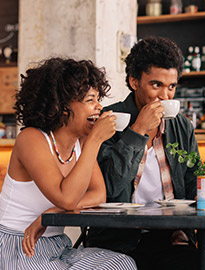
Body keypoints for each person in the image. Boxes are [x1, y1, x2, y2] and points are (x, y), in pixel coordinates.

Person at [0, 57, 137, 269]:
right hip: (19, 244)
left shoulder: (80, 142)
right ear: (63, 106)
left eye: (98, 99)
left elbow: (98, 195)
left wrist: (51, 214)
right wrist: (95, 140)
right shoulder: (31, 138)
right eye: (91, 100)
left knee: (121, 264)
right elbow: (67, 199)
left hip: (57, 246)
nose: (99, 107)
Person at [85, 36, 200, 270]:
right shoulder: (109, 120)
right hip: (120, 239)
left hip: (171, 237)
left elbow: (193, 181)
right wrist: (138, 131)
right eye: (156, 85)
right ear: (134, 81)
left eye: (171, 87)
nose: (165, 96)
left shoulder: (182, 126)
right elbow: (109, 187)